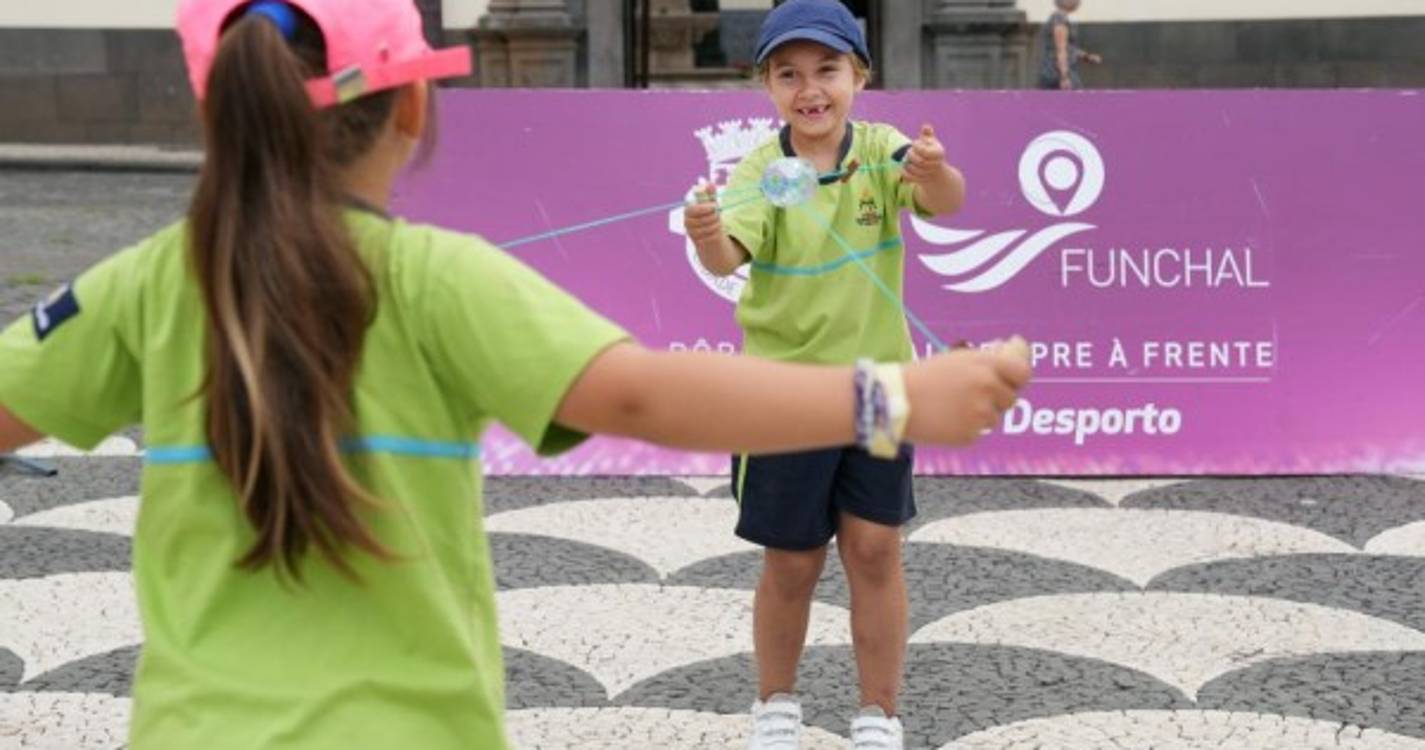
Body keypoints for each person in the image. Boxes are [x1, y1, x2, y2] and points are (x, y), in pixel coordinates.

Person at [0, 0, 1032, 748]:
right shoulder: (441, 278)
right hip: (419, 729)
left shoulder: (141, 286)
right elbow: (635, 393)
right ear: (411, 115)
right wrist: (894, 394)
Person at [681, 1, 989, 747]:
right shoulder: (761, 168)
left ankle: (878, 714)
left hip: (878, 392)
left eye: (827, 70)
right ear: (766, 87)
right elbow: (727, 259)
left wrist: (934, 168)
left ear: (859, 76)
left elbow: (945, 203)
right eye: (788, 74)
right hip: (782, 398)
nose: (809, 88)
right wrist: (707, 233)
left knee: (876, 548)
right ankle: (775, 704)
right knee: (791, 560)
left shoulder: (882, 150)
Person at [1038, 0, 1104, 90]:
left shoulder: (1060, 18)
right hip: (1058, 73)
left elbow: (1069, 48)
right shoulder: (1059, 19)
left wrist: (1087, 57)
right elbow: (1061, 49)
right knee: (1078, 102)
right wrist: (1064, 77)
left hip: (1054, 72)